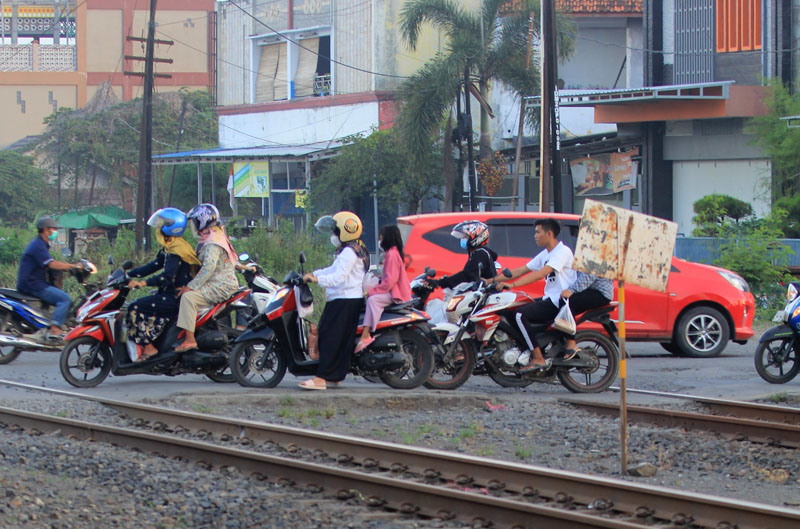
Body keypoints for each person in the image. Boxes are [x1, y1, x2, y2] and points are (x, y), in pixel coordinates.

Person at [492, 218, 576, 372]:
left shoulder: (562, 252)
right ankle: (525, 349)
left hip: (559, 302)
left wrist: (513, 285)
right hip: (549, 299)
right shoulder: (546, 254)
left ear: (549, 233)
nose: (535, 236)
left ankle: (538, 358)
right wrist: (492, 280)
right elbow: (522, 270)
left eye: (538, 232)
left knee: (519, 315)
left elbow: (540, 274)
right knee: (509, 309)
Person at [300, 211, 369, 390]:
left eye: (335, 232)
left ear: (345, 231)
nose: (333, 236)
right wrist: (314, 274)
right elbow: (332, 269)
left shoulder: (349, 252)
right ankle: (334, 376)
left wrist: (316, 280)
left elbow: (338, 277)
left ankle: (321, 378)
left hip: (345, 301)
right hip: (344, 300)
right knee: (337, 340)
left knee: (330, 339)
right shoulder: (353, 249)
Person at [126, 208, 201, 361]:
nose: (157, 228)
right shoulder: (170, 247)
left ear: (170, 228)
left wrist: (142, 283)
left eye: (160, 225)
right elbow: (153, 266)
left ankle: (149, 348)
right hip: (169, 293)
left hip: (175, 296)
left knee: (134, 307)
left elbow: (166, 278)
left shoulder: (176, 251)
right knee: (143, 302)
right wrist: (128, 274)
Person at [174, 204, 240, 353]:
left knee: (188, 298)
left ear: (203, 221)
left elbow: (208, 267)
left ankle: (190, 340)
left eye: (195, 222)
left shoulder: (213, 241)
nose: (194, 227)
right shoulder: (212, 236)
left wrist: (191, 286)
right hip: (217, 282)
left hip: (220, 285)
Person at [17, 216, 83, 342]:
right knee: (64, 299)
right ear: (46, 230)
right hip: (32, 284)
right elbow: (51, 264)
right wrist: (72, 266)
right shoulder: (38, 246)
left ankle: (47, 325)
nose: (55, 231)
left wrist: (68, 268)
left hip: (35, 282)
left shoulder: (42, 244)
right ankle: (55, 329)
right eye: (53, 229)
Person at [356, 225, 411, 353]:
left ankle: (366, 334)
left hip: (396, 293)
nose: (379, 240)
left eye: (380, 238)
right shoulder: (394, 252)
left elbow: (390, 281)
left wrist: (372, 292)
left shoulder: (391, 254)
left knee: (372, 300)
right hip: (396, 291)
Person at [426, 220, 497, 289]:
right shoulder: (477, 253)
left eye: (465, 237)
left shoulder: (480, 253)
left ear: (476, 237)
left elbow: (466, 275)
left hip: (486, 295)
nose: (462, 239)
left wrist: (440, 282)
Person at [559, 271, 614, 358]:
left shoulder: (594, 257)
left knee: (566, 303)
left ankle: (571, 343)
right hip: (589, 289)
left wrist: (570, 290)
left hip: (600, 293)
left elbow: (589, 276)